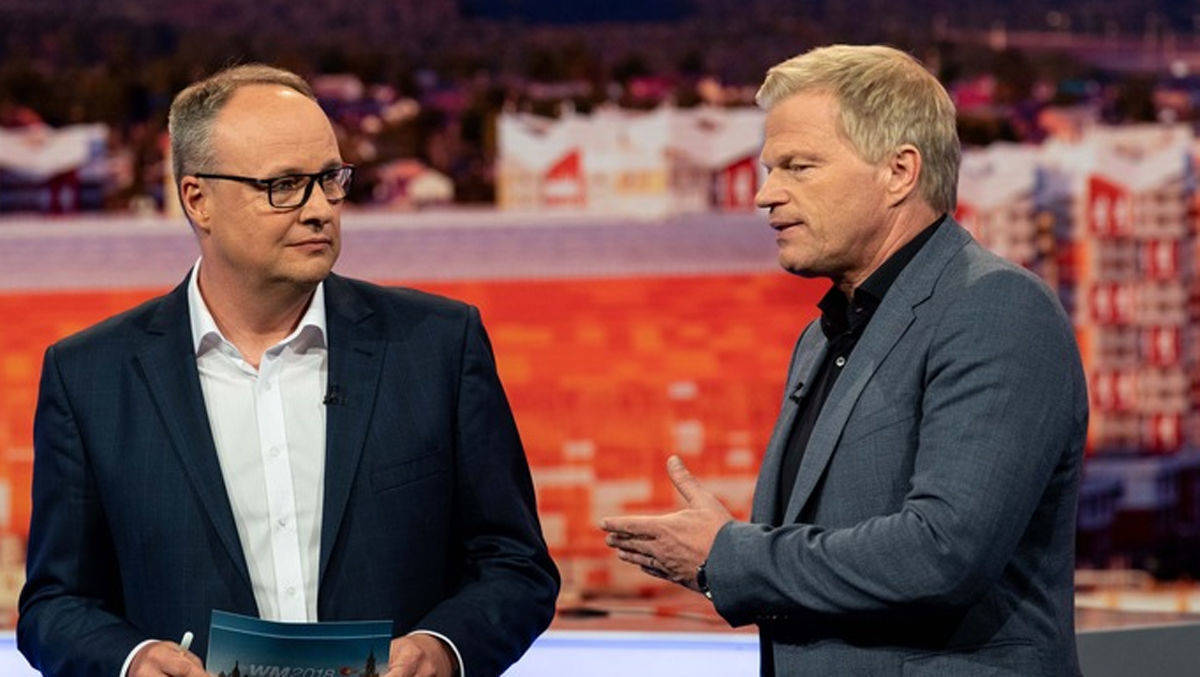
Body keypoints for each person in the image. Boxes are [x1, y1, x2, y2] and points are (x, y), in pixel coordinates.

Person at [18, 64, 559, 677]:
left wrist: (443, 648)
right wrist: (132, 661)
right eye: (284, 186)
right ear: (198, 200)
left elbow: (514, 564)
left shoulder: (437, 345)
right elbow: (54, 605)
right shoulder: (90, 376)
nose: (319, 209)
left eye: (330, 179)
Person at [603, 44, 1086, 675]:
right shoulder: (824, 335)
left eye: (799, 167)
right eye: (769, 168)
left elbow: (943, 554)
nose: (765, 195)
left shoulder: (995, 309)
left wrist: (728, 556)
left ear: (899, 172)